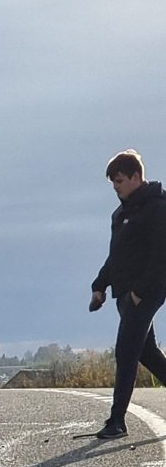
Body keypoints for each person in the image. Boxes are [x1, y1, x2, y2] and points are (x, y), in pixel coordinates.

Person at [90, 149, 166, 438]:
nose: (116, 188)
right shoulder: (120, 214)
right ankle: (116, 420)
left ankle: (116, 422)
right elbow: (116, 257)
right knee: (148, 354)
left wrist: (139, 293)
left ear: (137, 176)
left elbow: (162, 256)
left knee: (125, 352)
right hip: (124, 295)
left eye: (119, 181)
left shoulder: (158, 208)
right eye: (113, 184)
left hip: (145, 294)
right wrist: (99, 286)